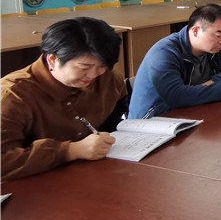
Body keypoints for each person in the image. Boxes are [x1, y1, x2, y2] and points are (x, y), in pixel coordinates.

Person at [1, 17, 129, 181]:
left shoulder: (106, 79)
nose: (93, 75)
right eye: (84, 67)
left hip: (92, 174)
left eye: (102, 66)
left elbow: (115, 118)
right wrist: (69, 151)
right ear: (52, 60)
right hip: (34, 185)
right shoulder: (12, 96)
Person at [129, 4, 221, 119]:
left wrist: (213, 82)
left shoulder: (216, 46)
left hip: (189, 112)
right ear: (195, 31)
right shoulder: (164, 52)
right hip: (152, 122)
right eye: (218, 35)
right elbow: (175, 96)